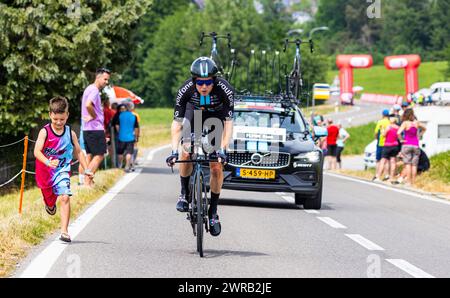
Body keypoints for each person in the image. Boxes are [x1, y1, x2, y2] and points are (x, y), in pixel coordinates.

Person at [165, 57, 234, 237]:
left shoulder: (225, 90)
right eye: (200, 82)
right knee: (186, 151)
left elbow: (228, 124)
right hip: (193, 114)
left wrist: (223, 150)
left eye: (208, 82)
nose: (204, 86)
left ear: (214, 80)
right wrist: (174, 151)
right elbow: (177, 124)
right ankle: (184, 194)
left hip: (216, 119)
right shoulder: (185, 90)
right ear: (194, 80)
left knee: (216, 166)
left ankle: (213, 212)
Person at [34, 97, 93, 243]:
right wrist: (48, 162)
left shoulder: (70, 133)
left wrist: (87, 169)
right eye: (55, 119)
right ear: (50, 115)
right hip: (45, 172)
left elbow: (78, 152)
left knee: (65, 196)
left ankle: (64, 231)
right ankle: (49, 204)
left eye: (62, 119)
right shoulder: (45, 132)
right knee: (50, 202)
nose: (59, 122)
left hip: (62, 171)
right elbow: (36, 151)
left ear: (67, 115)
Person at [81, 67, 110, 186]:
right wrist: (93, 116)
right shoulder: (94, 90)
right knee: (99, 155)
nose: (106, 82)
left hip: (87, 128)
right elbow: (88, 105)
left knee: (89, 155)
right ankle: (87, 180)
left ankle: (88, 181)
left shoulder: (88, 88)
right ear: (98, 77)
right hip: (95, 128)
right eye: (105, 79)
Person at [397, 108, 426, 185]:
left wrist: (401, 140)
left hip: (407, 145)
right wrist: (419, 135)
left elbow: (398, 132)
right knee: (414, 165)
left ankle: (408, 182)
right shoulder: (417, 123)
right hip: (415, 145)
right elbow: (425, 128)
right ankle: (413, 182)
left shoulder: (405, 123)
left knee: (408, 164)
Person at [115, 103, 139, 172]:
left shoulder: (120, 115)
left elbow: (117, 125)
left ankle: (120, 165)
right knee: (129, 152)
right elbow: (136, 128)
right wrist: (136, 136)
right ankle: (127, 166)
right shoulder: (133, 116)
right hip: (130, 137)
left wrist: (119, 132)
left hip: (121, 137)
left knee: (120, 152)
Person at [376, 116, 400, 184]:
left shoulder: (388, 127)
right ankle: (391, 178)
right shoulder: (397, 128)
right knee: (393, 161)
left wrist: (382, 131)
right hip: (395, 145)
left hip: (387, 145)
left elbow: (383, 135)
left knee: (383, 160)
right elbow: (398, 136)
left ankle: (378, 176)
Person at [373, 109, 391, 181]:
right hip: (388, 143)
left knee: (378, 160)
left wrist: (376, 138)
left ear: (383, 115)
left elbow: (376, 132)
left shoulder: (380, 122)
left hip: (380, 142)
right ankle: (387, 175)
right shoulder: (390, 122)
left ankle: (377, 174)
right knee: (386, 160)